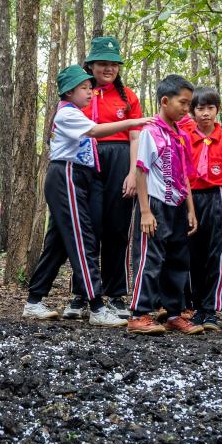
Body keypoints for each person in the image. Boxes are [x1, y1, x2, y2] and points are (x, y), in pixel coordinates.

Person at [23, 65, 151, 327]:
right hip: (66, 175)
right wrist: (134, 122)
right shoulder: (68, 114)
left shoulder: (76, 112)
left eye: (91, 88)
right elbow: (95, 131)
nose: (90, 93)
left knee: (59, 242)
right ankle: (95, 305)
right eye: (84, 88)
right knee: (83, 239)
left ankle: (34, 301)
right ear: (69, 92)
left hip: (79, 176)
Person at [124, 76, 201, 335]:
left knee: (178, 261)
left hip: (177, 205)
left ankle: (174, 314)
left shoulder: (181, 135)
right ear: (165, 101)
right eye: (183, 103)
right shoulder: (150, 132)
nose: (186, 109)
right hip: (155, 205)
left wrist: (190, 209)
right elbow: (141, 171)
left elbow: (185, 176)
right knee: (150, 259)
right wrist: (145, 211)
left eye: (189, 104)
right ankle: (139, 313)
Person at [82, 36, 143, 318]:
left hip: (120, 159)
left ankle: (116, 293)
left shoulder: (128, 96)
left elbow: (135, 136)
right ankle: (83, 292)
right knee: (89, 227)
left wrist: (132, 172)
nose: (108, 69)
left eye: (113, 64)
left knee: (118, 228)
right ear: (91, 66)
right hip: (89, 159)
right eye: (102, 64)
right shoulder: (80, 93)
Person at [181, 88, 222, 327]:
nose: (205, 113)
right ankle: (193, 307)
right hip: (190, 197)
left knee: (216, 254)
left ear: (217, 110)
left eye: (210, 108)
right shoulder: (185, 135)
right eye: (200, 108)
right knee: (191, 253)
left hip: (219, 197)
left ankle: (211, 309)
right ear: (192, 111)